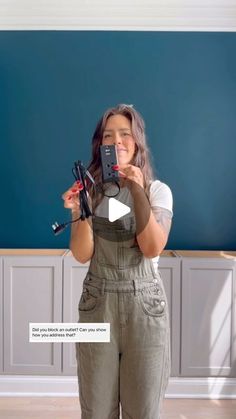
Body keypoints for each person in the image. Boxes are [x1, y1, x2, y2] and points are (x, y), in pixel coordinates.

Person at [62, 104, 173, 419]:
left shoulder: (158, 192)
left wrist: (136, 190)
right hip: (98, 305)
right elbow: (83, 254)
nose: (117, 142)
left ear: (137, 142)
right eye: (108, 136)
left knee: (143, 411)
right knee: (96, 410)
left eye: (125, 134)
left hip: (145, 310)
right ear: (100, 146)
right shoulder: (91, 193)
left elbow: (151, 247)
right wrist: (80, 209)